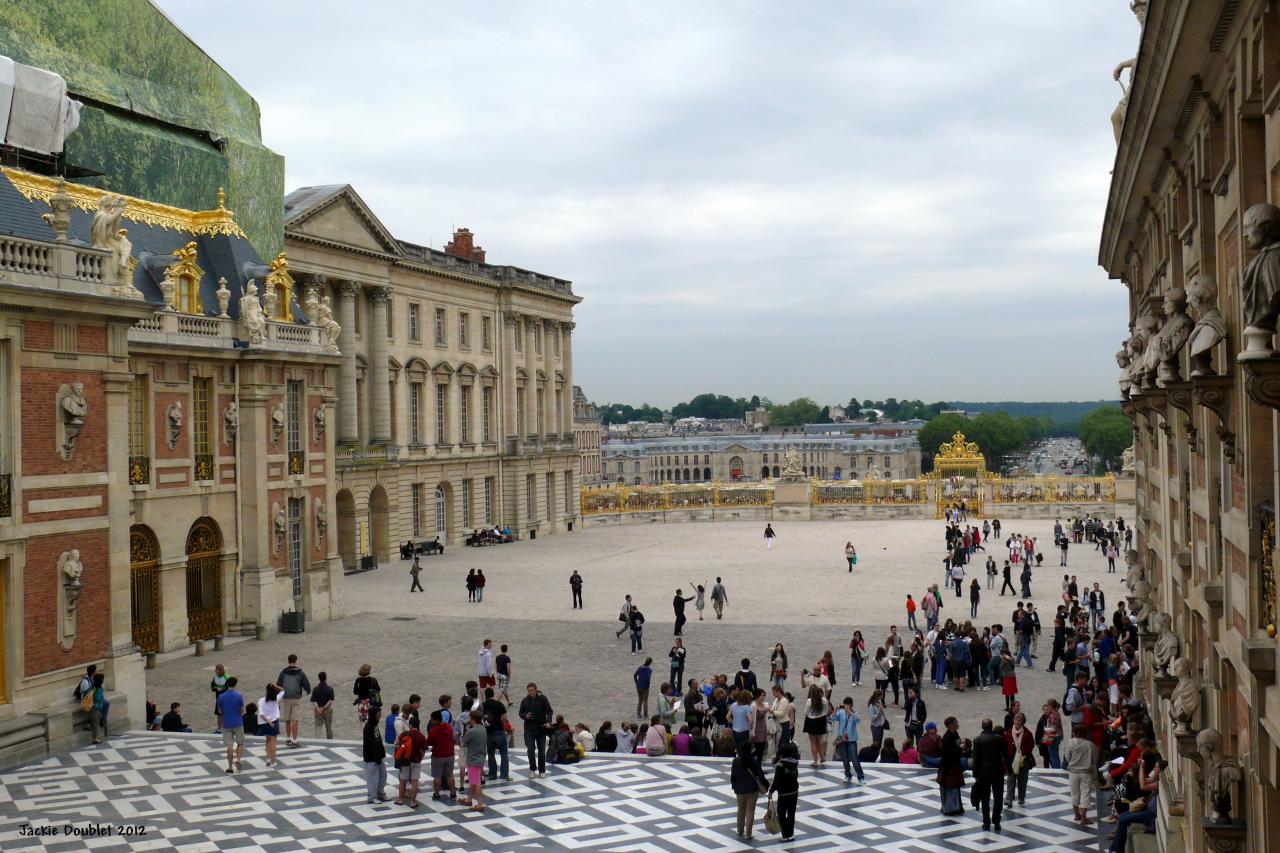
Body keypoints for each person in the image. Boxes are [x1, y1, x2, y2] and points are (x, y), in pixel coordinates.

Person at [972, 718, 1008, 831]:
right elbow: (1005, 755)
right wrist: (1009, 769)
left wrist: (975, 774)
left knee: (985, 799)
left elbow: (976, 759)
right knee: (998, 798)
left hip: (983, 774)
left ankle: (986, 823)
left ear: (982, 727)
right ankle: (996, 822)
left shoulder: (977, 740)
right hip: (997, 773)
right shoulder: (999, 739)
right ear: (991, 726)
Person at [731, 740, 769, 840]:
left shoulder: (736, 761)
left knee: (740, 810)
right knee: (750, 811)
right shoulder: (754, 761)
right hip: (752, 789)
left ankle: (739, 830)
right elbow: (760, 775)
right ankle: (748, 833)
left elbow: (733, 776)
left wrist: (734, 786)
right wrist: (766, 785)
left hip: (739, 790)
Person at [276, 654, 311, 748]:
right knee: (295, 720)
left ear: (288, 661)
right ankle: (295, 740)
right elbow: (306, 684)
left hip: (286, 698)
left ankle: (288, 738)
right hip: (296, 698)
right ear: (296, 661)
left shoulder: (283, 672)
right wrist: (308, 690)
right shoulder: (300, 672)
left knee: (287, 719)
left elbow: (278, 684)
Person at [519, 683, 554, 778]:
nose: (530, 692)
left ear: (536, 690)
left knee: (542, 751)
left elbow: (549, 711)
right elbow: (520, 713)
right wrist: (525, 716)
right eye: (529, 690)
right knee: (530, 749)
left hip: (540, 728)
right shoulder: (525, 701)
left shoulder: (543, 699)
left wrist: (549, 722)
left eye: (532, 690)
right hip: (529, 729)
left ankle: (542, 770)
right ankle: (532, 769)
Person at [770, 740, 801, 841]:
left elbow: (777, 780)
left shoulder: (781, 765)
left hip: (784, 793)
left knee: (781, 813)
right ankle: (790, 832)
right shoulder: (795, 763)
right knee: (791, 813)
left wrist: (771, 791)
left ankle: (785, 834)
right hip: (794, 791)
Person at [396, 716, 430, 807]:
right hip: (416, 761)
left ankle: (400, 799)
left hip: (405, 761)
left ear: (410, 725)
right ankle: (413, 801)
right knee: (415, 781)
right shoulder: (421, 736)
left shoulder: (405, 734)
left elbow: (396, 743)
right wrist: (420, 759)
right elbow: (423, 750)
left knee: (402, 780)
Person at [1064, 724, 1095, 825]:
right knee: (1085, 793)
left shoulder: (1070, 743)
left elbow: (1067, 757)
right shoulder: (1089, 744)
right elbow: (1093, 759)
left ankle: (1076, 814)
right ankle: (1084, 817)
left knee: (1074, 793)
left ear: (1075, 732)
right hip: (1086, 772)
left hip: (1073, 772)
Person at [458, 709, 488, 812]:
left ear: (473, 719)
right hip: (481, 758)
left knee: (476, 783)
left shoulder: (471, 731)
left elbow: (462, 744)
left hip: (472, 760)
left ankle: (480, 804)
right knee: (473, 781)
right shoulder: (483, 729)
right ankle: (469, 799)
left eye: (470, 718)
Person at [1004, 712, 1035, 808]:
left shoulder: (1027, 733)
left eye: (1019, 720)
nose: (1017, 721)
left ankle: (1021, 798)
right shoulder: (1009, 732)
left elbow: (1031, 745)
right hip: (1011, 760)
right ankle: (1009, 799)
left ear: (1022, 722)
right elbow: (1005, 746)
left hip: (1023, 760)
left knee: (1022, 780)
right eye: (1016, 720)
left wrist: (1022, 753)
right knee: (1010, 780)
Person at [425, 710, 456, 801]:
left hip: (438, 756)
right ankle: (453, 793)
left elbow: (429, 743)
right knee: (450, 775)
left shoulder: (433, 730)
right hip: (450, 755)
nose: (431, 721)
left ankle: (437, 794)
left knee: (437, 777)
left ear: (436, 720)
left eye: (432, 719)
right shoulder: (449, 728)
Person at [937, 716, 965, 816]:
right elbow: (948, 753)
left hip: (954, 765)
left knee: (954, 787)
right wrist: (960, 748)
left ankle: (956, 806)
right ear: (951, 725)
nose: (957, 724)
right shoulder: (947, 737)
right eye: (956, 723)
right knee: (949, 787)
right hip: (948, 767)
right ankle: (949, 808)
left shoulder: (955, 734)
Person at [833, 696, 865, 783]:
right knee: (845, 759)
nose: (846, 706)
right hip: (842, 738)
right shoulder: (841, 712)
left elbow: (858, 719)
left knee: (855, 759)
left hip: (852, 739)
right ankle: (847, 775)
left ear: (851, 705)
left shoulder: (854, 713)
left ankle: (861, 776)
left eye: (848, 704)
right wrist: (835, 710)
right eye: (845, 704)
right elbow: (833, 718)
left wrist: (850, 712)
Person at [217, 677, 245, 774]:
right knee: (240, 742)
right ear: (235, 684)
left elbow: (220, 711)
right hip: (237, 722)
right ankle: (238, 760)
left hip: (226, 723)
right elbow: (242, 710)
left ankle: (230, 767)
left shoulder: (221, 696)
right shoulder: (239, 695)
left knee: (229, 746)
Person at [481, 687, 510, 782]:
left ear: (485, 696)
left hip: (488, 733)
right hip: (499, 731)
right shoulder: (499, 704)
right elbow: (505, 718)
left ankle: (492, 774)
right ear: (493, 694)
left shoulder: (482, 705)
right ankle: (504, 774)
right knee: (504, 754)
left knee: (491, 754)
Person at [363, 705, 390, 804]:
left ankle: (380, 793)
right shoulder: (368, 727)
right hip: (371, 758)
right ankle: (372, 797)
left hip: (379, 756)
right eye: (378, 715)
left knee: (383, 775)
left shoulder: (375, 724)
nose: (380, 717)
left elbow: (378, 741)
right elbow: (369, 745)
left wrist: (382, 753)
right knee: (372, 778)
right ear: (373, 715)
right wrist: (376, 757)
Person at [802, 684, 831, 767]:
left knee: (813, 742)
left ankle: (815, 761)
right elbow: (826, 712)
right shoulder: (824, 700)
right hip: (821, 721)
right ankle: (822, 756)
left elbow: (805, 712)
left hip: (811, 721)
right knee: (820, 740)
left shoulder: (809, 701)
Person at [258, 684, 282, 767]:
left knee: (268, 740)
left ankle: (268, 759)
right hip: (274, 721)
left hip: (264, 723)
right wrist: (275, 685)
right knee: (273, 742)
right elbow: (283, 691)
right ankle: (273, 761)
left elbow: (261, 714)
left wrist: (268, 722)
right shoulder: (276, 700)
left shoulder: (261, 701)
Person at [311, 671, 335, 739]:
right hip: (327, 710)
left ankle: (318, 741)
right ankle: (330, 741)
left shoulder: (315, 689)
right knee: (328, 727)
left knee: (318, 727)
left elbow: (314, 701)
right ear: (325, 678)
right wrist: (324, 708)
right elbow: (330, 700)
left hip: (317, 710)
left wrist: (318, 708)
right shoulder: (330, 689)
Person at [210, 663, 230, 733]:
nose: (215, 671)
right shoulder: (215, 677)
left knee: (226, 713)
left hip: (226, 698)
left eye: (216, 670)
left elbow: (229, 687)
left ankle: (226, 727)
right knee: (219, 713)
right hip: (218, 697)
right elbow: (212, 686)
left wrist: (223, 690)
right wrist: (216, 688)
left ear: (220, 670)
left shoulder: (227, 677)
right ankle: (219, 728)